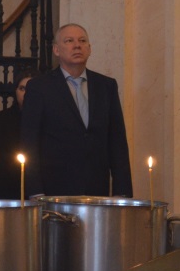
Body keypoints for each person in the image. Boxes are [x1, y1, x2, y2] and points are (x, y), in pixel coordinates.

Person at [20, 24, 132, 197]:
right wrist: (35, 192)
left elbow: (117, 141)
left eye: (82, 41)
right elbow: (29, 142)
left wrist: (122, 193)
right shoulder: (39, 87)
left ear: (90, 49)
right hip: (54, 189)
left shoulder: (106, 86)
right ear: (56, 50)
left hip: (96, 189)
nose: (77, 45)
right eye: (69, 41)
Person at [0, 71, 36, 199]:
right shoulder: (2, 119)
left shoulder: (48, 120)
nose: (26, 93)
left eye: (31, 89)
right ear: (15, 91)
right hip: (7, 185)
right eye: (22, 88)